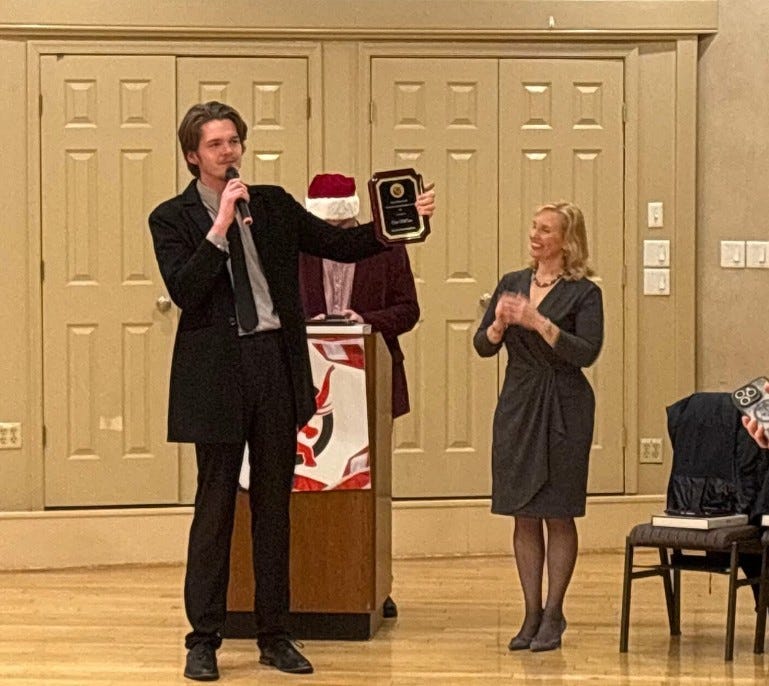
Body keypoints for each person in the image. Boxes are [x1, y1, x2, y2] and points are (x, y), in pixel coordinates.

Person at [148, 101, 435, 681]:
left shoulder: (273, 204)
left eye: (234, 141)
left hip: (274, 363)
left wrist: (400, 221)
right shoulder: (171, 218)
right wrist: (219, 227)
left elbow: (341, 245)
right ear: (192, 156)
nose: (228, 152)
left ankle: (274, 634)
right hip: (217, 373)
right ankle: (203, 639)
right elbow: (186, 290)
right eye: (215, 144)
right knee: (215, 506)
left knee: (275, 506)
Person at [472, 202, 603, 653]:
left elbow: (587, 352)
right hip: (519, 402)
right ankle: (530, 612)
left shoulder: (585, 292)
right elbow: (482, 345)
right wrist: (497, 325)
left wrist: (538, 322)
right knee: (523, 512)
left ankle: (554, 612)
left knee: (558, 511)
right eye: (534, 227)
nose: (535, 235)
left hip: (565, 404)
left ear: (566, 241)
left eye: (546, 230)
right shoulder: (511, 282)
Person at [299, 172, 421, 619]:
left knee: (372, 488)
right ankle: (318, 581)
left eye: (342, 228)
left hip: (371, 378)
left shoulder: (386, 247)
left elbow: (408, 310)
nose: (335, 234)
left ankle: (374, 583)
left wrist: (364, 320)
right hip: (309, 384)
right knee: (313, 483)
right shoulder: (296, 248)